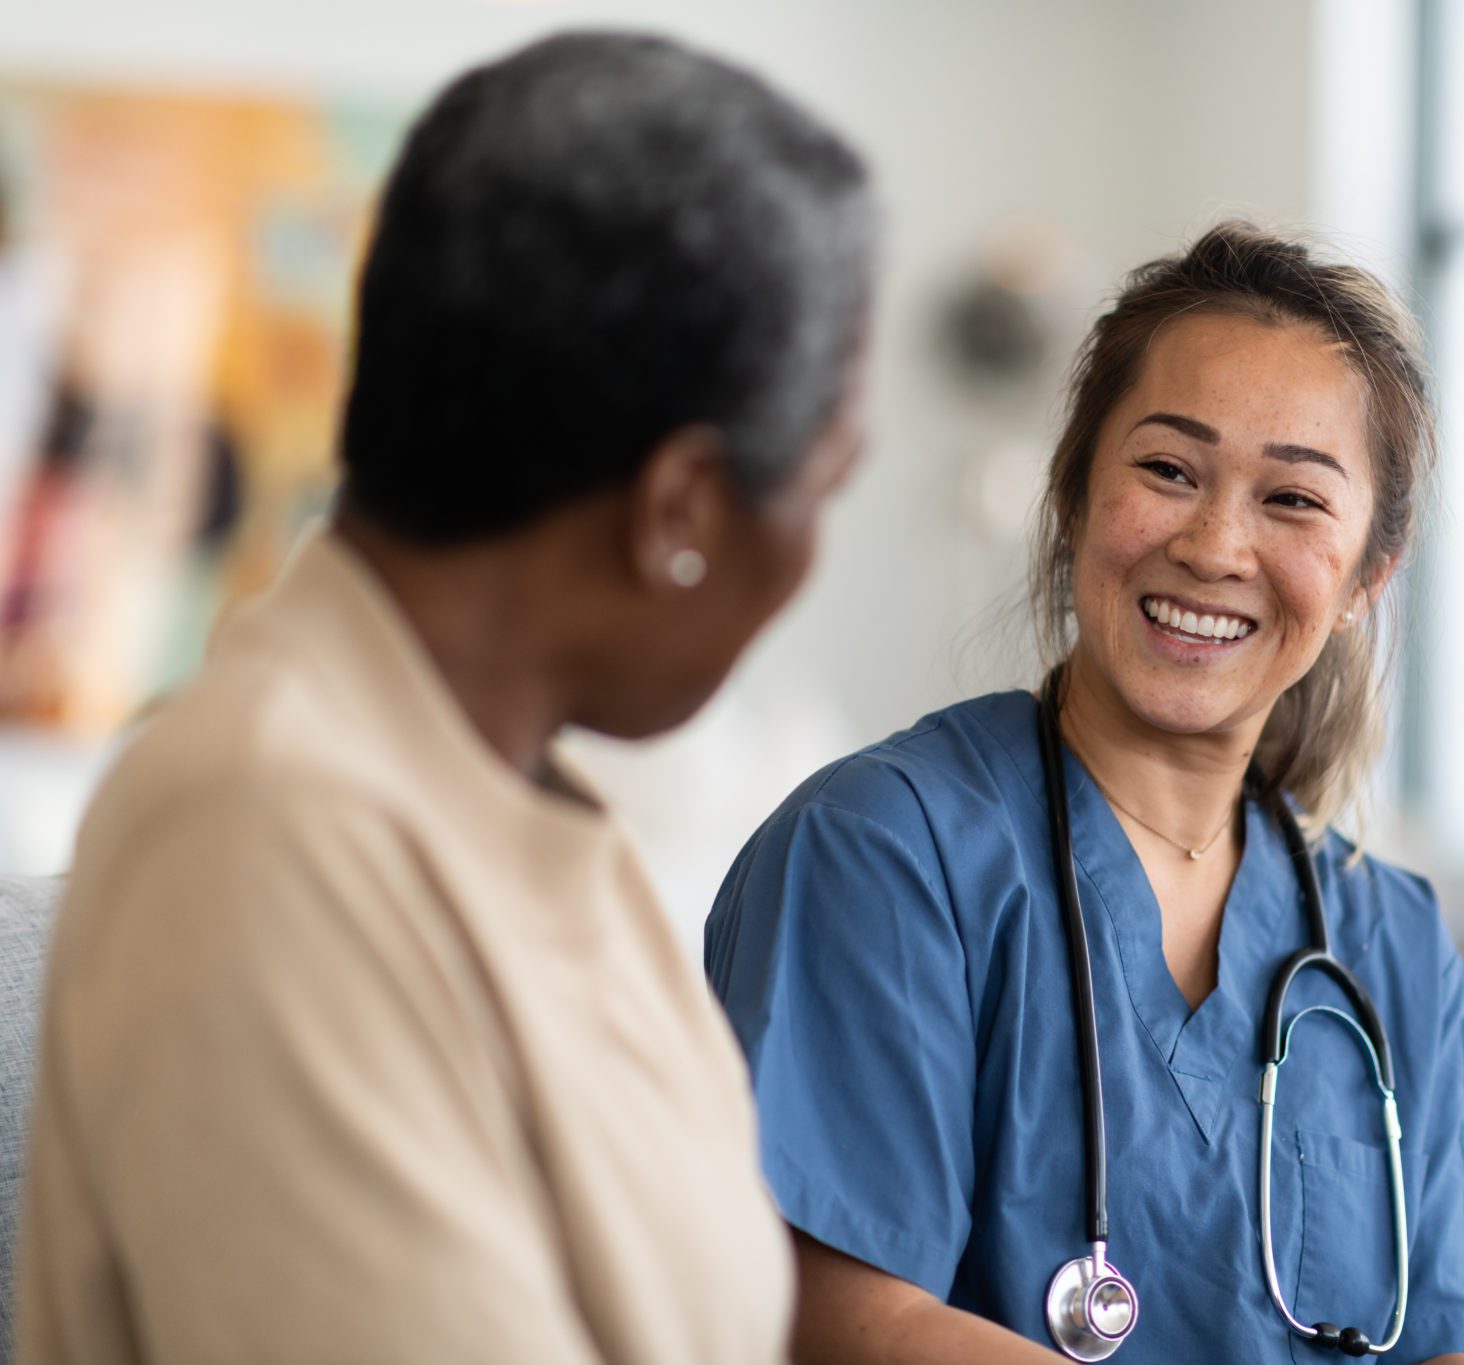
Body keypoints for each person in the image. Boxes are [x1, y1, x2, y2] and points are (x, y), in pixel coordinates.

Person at [706, 225, 1464, 1364]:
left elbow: (1429, 1347)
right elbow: (846, 1322)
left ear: (1365, 578)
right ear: (1073, 494)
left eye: (1292, 500)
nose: (1212, 546)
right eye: (1165, 470)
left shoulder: (1383, 938)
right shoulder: (882, 854)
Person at [14, 31, 873, 1364]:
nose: (815, 555)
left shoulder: (521, 807)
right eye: (824, 487)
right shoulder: (265, 835)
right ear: (684, 511)